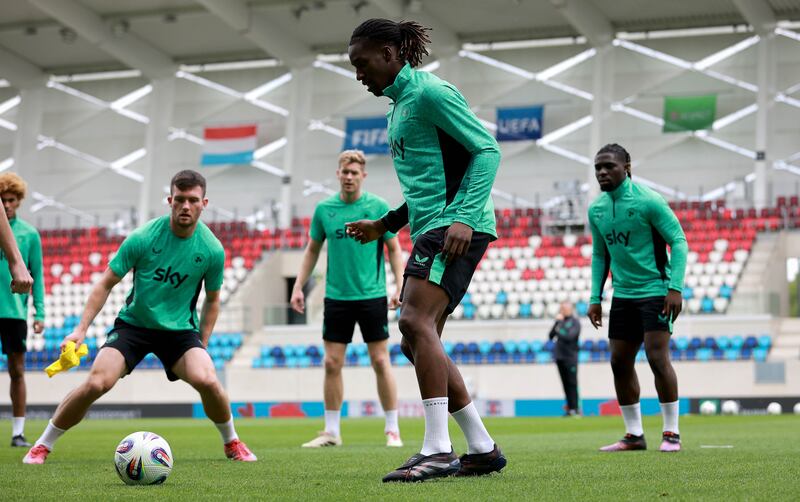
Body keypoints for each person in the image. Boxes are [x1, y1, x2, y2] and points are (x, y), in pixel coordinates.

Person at [346, 19, 507, 482]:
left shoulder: (431, 93)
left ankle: (437, 449)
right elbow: (424, 186)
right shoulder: (398, 107)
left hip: (455, 225)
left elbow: (487, 150)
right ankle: (480, 447)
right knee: (415, 338)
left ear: (389, 53)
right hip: (434, 223)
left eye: (362, 63)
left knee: (414, 321)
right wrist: (385, 224)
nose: (359, 74)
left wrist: (463, 216)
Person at [23, 170, 256, 464]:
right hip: (134, 326)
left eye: (193, 200)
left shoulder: (211, 250)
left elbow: (212, 300)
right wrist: (80, 330)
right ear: (170, 200)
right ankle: (43, 445)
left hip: (179, 332)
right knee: (97, 382)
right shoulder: (143, 237)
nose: (186, 206)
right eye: (180, 199)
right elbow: (105, 283)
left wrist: (202, 344)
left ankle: (232, 443)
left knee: (208, 380)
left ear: (204, 203)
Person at [290, 149, 405, 448]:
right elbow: (312, 249)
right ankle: (331, 431)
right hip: (336, 297)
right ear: (338, 174)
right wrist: (298, 286)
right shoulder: (324, 209)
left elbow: (394, 249)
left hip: (372, 295)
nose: (350, 177)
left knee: (380, 360)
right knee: (331, 363)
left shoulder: (378, 206)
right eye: (345, 172)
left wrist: (399, 285)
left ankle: (392, 429)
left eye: (355, 172)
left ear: (363, 176)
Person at [587, 144, 688, 453]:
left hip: (656, 291)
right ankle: (634, 435)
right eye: (598, 168)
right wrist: (595, 297)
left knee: (658, 358)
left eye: (609, 166)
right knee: (619, 361)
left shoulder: (649, 202)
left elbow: (679, 242)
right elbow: (599, 254)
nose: (602, 172)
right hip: (624, 297)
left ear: (626, 166)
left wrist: (675, 288)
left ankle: (671, 433)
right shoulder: (597, 209)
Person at [0, 173, 44, 447]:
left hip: (14, 312)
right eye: (1, 200)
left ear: (19, 201)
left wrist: (40, 313)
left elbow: (37, 275)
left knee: (17, 370)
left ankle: (18, 432)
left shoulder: (29, 234)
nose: (6, 205)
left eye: (11, 200)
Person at [548, 301, 580, 417]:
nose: (562, 311)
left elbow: (569, 337)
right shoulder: (560, 322)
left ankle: (575, 408)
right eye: (561, 308)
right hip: (560, 357)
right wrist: (557, 322)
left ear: (570, 309)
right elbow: (551, 336)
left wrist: (559, 324)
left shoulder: (574, 322)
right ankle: (570, 408)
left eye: (564, 308)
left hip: (570, 358)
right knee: (565, 384)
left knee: (572, 384)